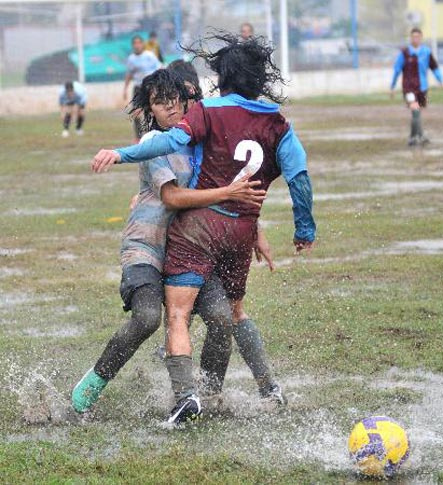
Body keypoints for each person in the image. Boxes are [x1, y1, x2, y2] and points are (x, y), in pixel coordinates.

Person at [91, 33, 316, 425]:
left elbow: (187, 160)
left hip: (199, 231)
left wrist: (122, 154)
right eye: (166, 101)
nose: (179, 106)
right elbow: (297, 178)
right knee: (208, 313)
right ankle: (251, 389)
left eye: (182, 99)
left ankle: (195, 395)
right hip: (207, 235)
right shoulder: (277, 124)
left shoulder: (206, 115)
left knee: (192, 315)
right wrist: (303, 229)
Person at [72, 66, 277, 419]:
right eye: (159, 102)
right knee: (149, 317)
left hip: (192, 249)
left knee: (221, 316)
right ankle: (94, 382)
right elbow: (171, 197)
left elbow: (233, 194)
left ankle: (206, 396)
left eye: (174, 99)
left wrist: (253, 226)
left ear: (187, 101)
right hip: (147, 247)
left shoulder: (203, 141)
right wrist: (226, 192)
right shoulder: (153, 144)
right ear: (149, 110)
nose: (169, 107)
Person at [390, 27, 443, 147]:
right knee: (415, 111)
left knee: (418, 112)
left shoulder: (426, 52)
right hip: (409, 88)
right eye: (413, 37)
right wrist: (392, 86)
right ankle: (413, 138)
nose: (415, 39)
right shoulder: (404, 53)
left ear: (421, 38)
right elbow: (396, 70)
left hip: (423, 88)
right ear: (410, 38)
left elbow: (434, 68)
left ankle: (420, 135)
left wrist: (442, 80)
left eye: (417, 37)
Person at [123, 35, 162, 140]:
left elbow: (160, 68)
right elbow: (129, 74)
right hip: (138, 88)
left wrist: (160, 84)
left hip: (150, 87)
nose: (137, 45)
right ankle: (138, 137)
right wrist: (125, 89)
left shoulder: (149, 55)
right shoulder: (131, 59)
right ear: (133, 45)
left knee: (152, 111)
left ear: (142, 44)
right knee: (136, 112)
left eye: (139, 43)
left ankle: (155, 134)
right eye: (135, 43)